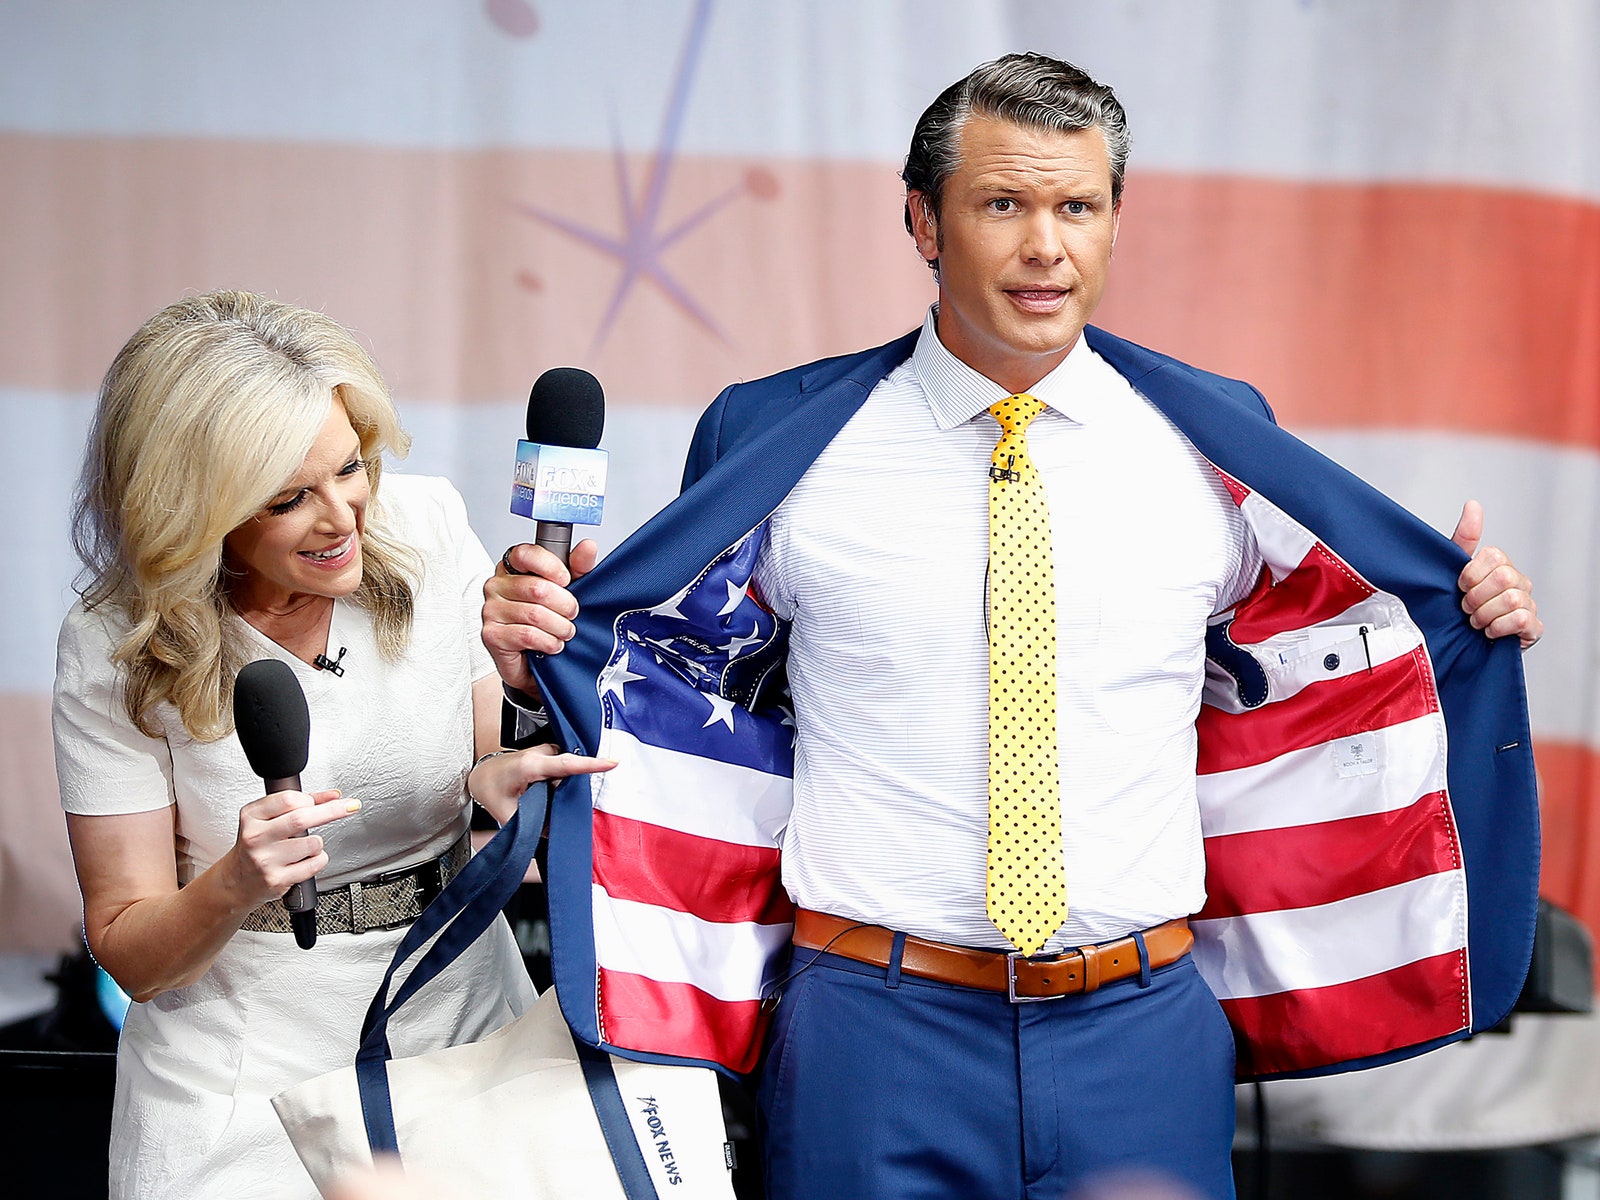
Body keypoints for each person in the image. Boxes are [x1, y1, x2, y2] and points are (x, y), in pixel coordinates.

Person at [482, 55, 1543, 1200]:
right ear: (921, 220)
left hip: (1142, 1030)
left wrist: (1460, 620)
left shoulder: (1219, 438)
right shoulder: (774, 436)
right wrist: (540, 658)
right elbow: (688, 694)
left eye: (1077, 207)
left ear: (1114, 221)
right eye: (1003, 205)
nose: (1047, 247)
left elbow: (1307, 672)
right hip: (871, 1032)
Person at [52, 291, 612, 1200]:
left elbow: (483, 754)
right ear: (193, 512)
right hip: (238, 1070)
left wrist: (508, 759)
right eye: (288, 499)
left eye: (350, 469)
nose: (342, 516)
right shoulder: (114, 641)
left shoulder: (425, 525)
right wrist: (238, 876)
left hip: (459, 1017)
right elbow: (130, 952)